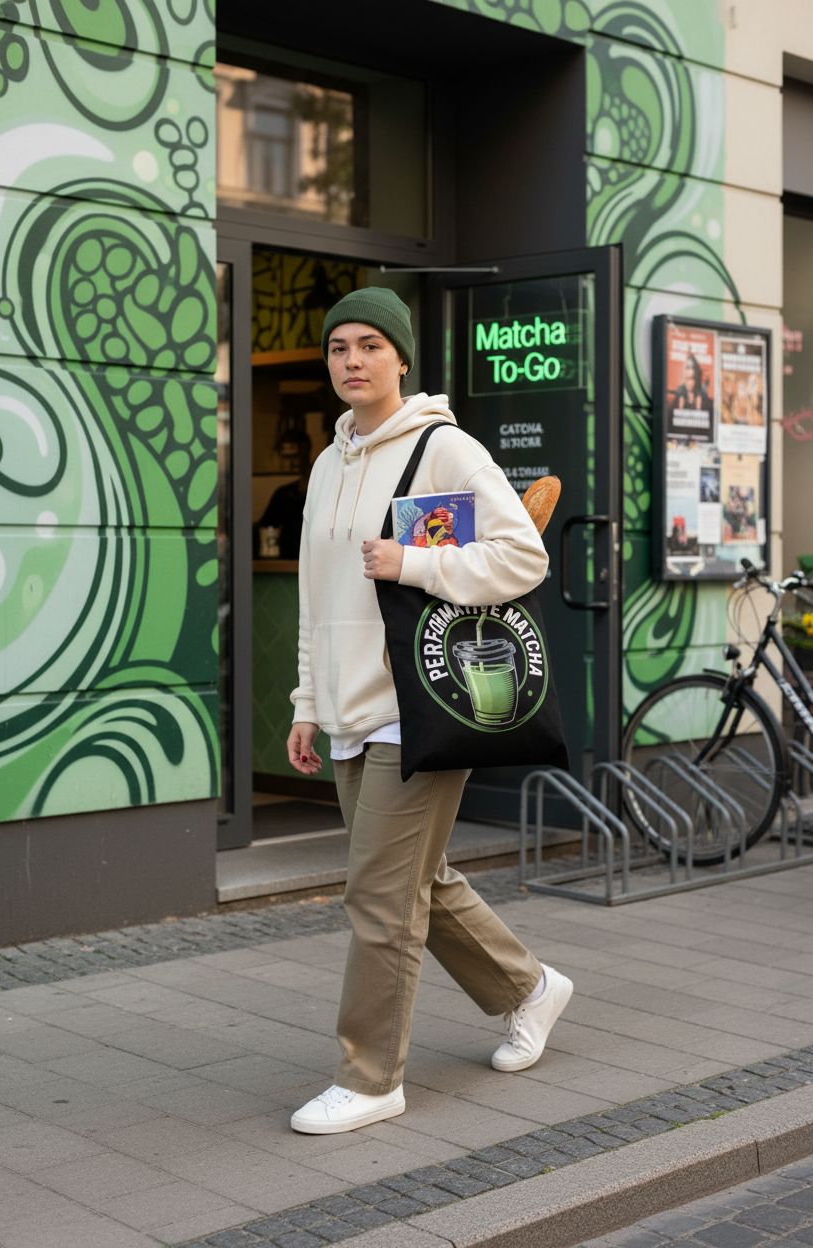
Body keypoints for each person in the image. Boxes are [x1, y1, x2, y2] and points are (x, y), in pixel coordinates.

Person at [286, 287, 573, 1135]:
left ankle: (371, 1077)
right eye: (339, 347)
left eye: (370, 345)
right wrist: (307, 703)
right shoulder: (326, 463)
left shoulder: (443, 446)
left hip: (419, 708)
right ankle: (529, 986)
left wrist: (411, 563)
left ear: (402, 356)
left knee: (379, 898)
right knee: (418, 879)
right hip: (347, 710)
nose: (352, 361)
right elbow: (314, 599)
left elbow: (522, 556)